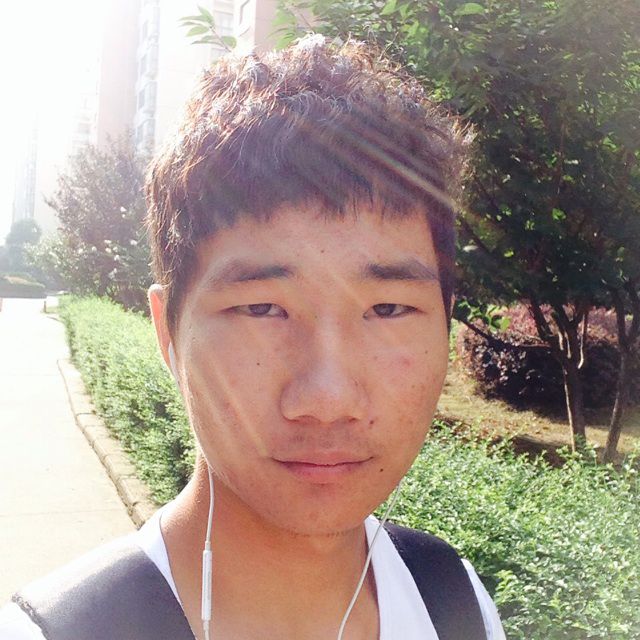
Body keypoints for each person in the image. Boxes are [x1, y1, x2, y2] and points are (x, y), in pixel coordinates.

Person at [0, 35, 505, 639]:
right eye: (262, 308)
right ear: (167, 332)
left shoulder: (454, 601)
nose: (328, 399)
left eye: (389, 308)